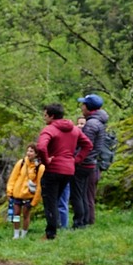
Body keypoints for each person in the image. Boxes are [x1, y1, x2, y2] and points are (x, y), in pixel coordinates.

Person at [36, 103, 93, 240]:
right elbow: (88, 145)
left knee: (50, 201)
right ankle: (54, 228)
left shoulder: (49, 129)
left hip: (53, 169)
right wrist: (76, 159)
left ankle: (51, 233)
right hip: (68, 170)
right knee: (55, 199)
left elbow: (41, 147)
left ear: (52, 116)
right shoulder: (74, 129)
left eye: (45, 115)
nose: (44, 118)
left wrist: (46, 161)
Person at [77, 94, 109, 225]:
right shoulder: (98, 122)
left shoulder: (91, 124)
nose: (81, 107)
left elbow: (87, 147)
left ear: (88, 107)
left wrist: (78, 161)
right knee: (88, 194)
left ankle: (86, 222)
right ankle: (87, 221)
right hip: (94, 163)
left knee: (85, 195)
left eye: (83, 104)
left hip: (88, 164)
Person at [6, 144, 44, 239]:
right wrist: (9, 192)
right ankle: (16, 234)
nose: (28, 153)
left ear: (36, 154)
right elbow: (13, 178)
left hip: (29, 195)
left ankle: (23, 234)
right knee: (16, 214)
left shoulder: (40, 167)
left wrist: (35, 201)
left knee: (26, 215)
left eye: (31, 151)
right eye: (28, 151)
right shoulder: (21, 163)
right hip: (17, 194)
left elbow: (39, 185)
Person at [57, 116, 84, 229]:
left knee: (61, 199)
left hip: (62, 169)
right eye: (79, 123)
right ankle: (61, 224)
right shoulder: (74, 135)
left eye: (82, 124)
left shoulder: (69, 136)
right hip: (68, 169)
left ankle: (62, 225)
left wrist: (76, 160)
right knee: (62, 199)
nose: (80, 126)